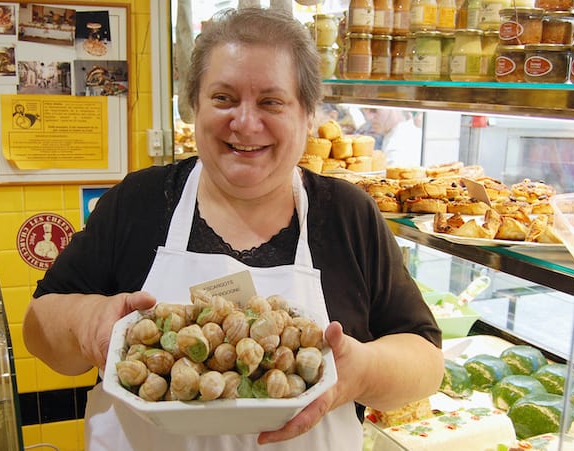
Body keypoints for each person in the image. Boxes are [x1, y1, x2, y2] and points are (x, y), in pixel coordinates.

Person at [22, 7, 442, 451]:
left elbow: (426, 362)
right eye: (223, 98)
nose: (245, 123)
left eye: (271, 102)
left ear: (307, 115)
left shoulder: (347, 215)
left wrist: (364, 370)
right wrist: (86, 324)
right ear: (195, 106)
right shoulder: (138, 202)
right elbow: (39, 327)